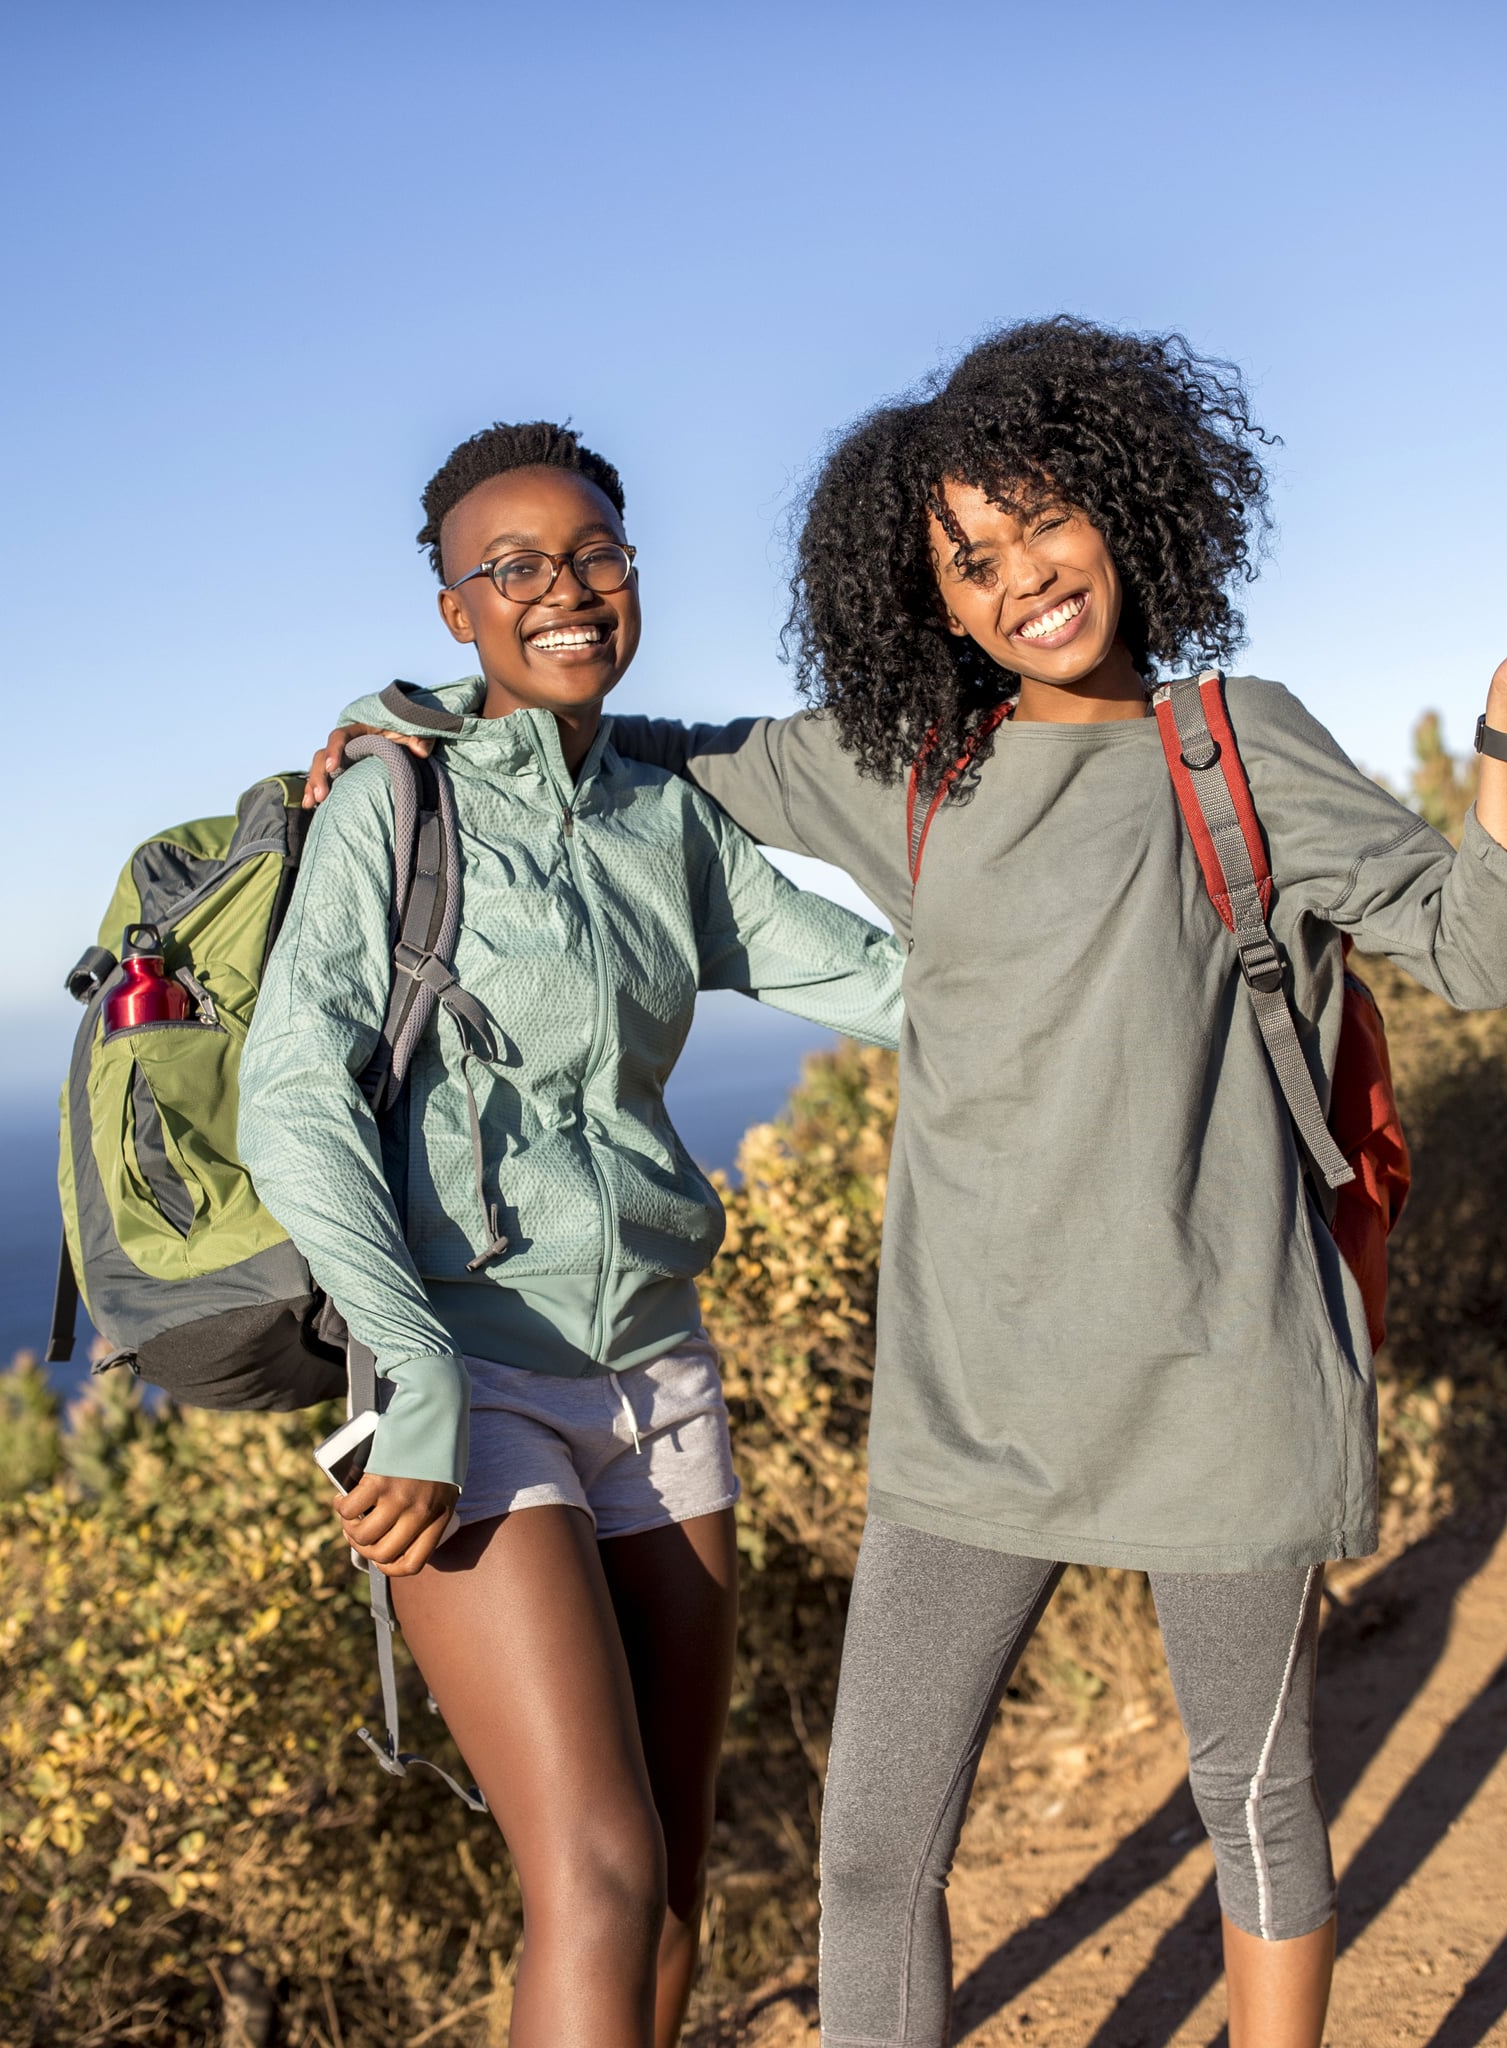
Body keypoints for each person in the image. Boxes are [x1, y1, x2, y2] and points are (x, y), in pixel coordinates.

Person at [310, 321, 1507, 2048]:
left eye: (1043, 523)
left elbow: (1479, 950)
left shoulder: (1237, 747)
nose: (1021, 577)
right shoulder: (912, 768)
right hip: (970, 1417)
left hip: (1225, 1389)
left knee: (1251, 1811)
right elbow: (617, 731)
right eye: (969, 560)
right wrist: (406, 723)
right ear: (934, 606)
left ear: (1124, 514)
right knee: (872, 1857)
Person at [240, 421, 904, 2048]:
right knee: (595, 1874)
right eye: (513, 566)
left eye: (596, 552)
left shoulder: (664, 824)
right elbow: (290, 1095)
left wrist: (1192, 962)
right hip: (465, 1384)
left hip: (659, 1378)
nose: (565, 589)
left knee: (672, 1881)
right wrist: (410, 1375)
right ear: (455, 609)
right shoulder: (391, 805)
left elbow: (899, 987)